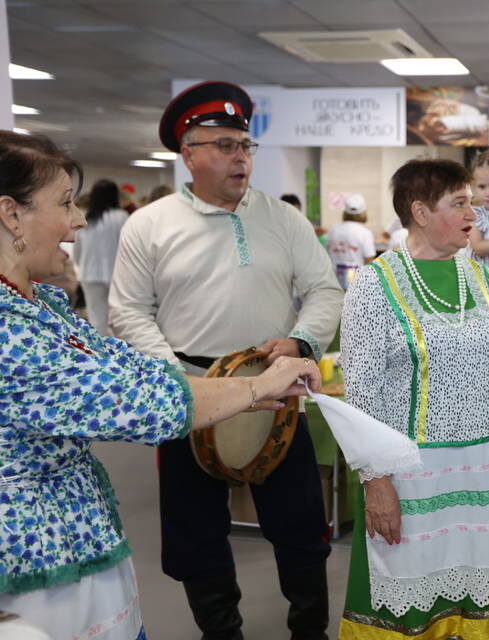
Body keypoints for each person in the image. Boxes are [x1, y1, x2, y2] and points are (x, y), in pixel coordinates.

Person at [0, 130, 322, 640]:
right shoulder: (8, 330)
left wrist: (257, 379)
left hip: (79, 536)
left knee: (299, 526)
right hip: (32, 557)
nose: (80, 218)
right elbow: (139, 401)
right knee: (197, 535)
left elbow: (128, 368)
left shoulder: (43, 306)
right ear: (10, 214)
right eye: (64, 203)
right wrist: (256, 389)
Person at [110, 81, 343, 640]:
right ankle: (222, 634)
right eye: (224, 145)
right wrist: (178, 382)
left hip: (275, 388)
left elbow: (324, 291)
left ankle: (308, 631)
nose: (240, 156)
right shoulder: (150, 224)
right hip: (189, 389)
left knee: (301, 522)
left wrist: (302, 341)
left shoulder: (284, 220)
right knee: (196, 532)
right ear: (188, 154)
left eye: (245, 144)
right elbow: (128, 313)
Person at [338, 158, 489, 639]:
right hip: (413, 479)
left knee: (479, 594)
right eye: (459, 203)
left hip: (486, 472)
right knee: (412, 600)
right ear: (420, 212)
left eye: (471, 201)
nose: (473, 213)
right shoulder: (374, 285)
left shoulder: (481, 278)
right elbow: (361, 396)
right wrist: (375, 482)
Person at [73, 178, 127, 336]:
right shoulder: (121, 217)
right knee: (120, 317)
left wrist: (79, 264)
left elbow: (77, 249)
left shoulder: (86, 218)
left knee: (96, 317)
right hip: (116, 274)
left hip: (89, 273)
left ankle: (100, 353)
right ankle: (121, 351)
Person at [325, 194, 375, 289]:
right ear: (363, 212)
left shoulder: (333, 230)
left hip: (334, 281)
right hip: (356, 284)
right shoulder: (365, 233)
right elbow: (370, 262)